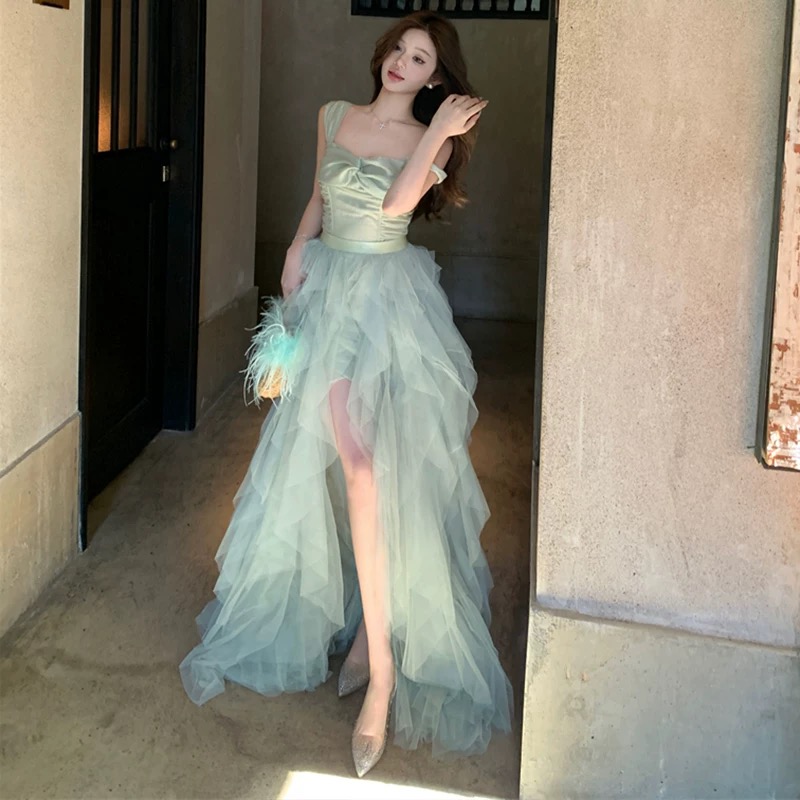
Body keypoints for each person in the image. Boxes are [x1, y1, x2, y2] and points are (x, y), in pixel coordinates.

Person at [179, 10, 513, 778]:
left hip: (391, 307)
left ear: (436, 76)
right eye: (398, 48)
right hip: (329, 297)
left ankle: (382, 666)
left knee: (372, 470)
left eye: (419, 58)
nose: (401, 62)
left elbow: (395, 208)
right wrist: (296, 246)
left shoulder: (432, 139)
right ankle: (368, 633)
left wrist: (438, 132)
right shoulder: (334, 115)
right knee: (351, 466)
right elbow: (320, 194)